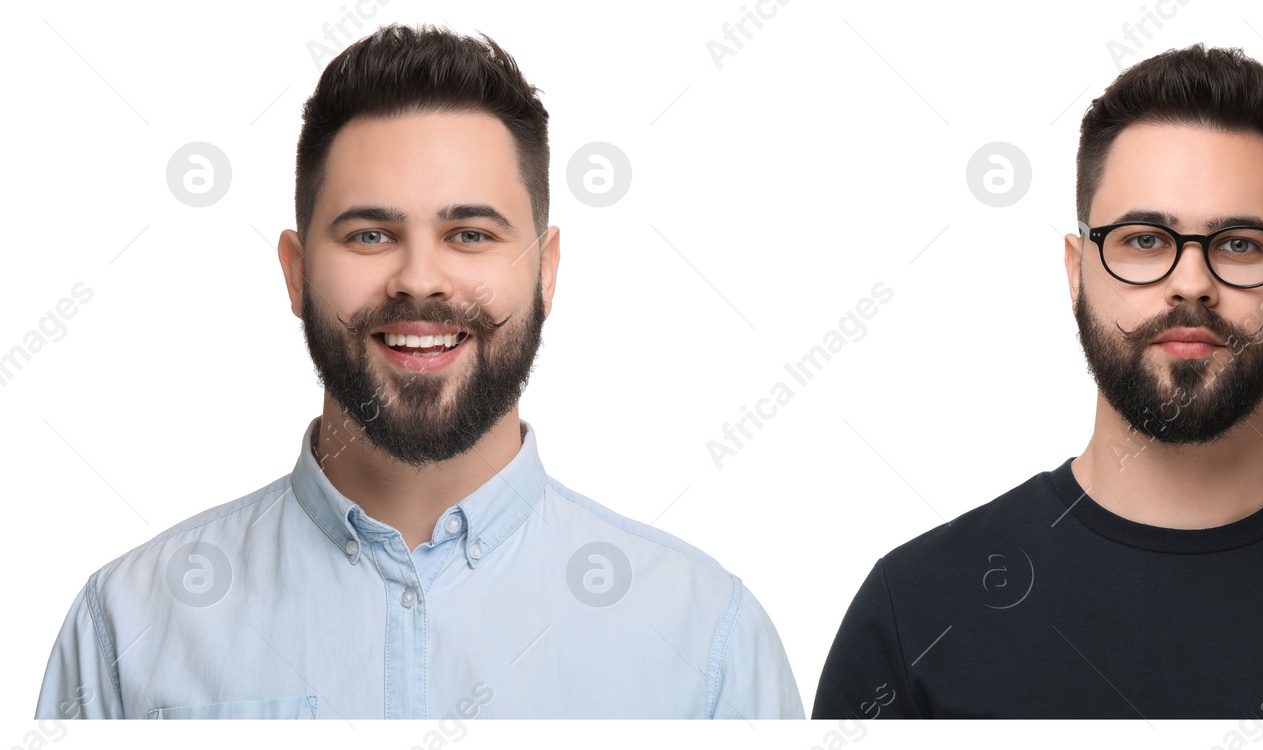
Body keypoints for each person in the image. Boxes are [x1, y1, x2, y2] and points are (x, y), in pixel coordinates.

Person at [35, 24, 803, 720]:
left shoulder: (707, 644)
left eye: (469, 233)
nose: (420, 280)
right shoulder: (127, 626)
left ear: (546, 271)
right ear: (296, 273)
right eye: (370, 234)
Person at [812, 44, 1263, 719]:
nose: (1191, 283)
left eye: (1240, 244)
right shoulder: (916, 612)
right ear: (1076, 271)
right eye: (1144, 240)